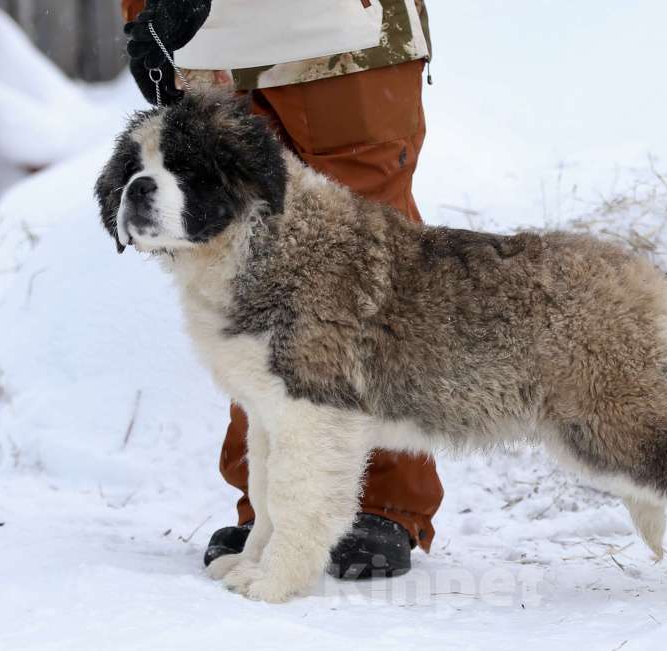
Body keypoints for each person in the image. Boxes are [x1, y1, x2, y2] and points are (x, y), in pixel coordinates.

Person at [121, 0, 443, 579]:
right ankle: (271, 510)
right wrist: (145, 12)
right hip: (205, 42)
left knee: (368, 262)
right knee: (243, 269)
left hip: (341, 36)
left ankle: (383, 500)